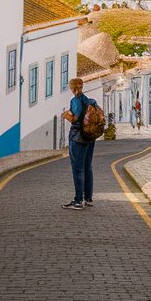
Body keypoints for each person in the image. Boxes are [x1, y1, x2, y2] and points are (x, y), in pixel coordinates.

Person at [60, 78, 96, 210]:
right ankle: (88, 198)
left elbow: (76, 117)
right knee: (87, 167)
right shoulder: (90, 100)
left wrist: (66, 115)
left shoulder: (75, 101)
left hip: (77, 138)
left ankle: (78, 201)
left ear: (72, 88)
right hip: (90, 138)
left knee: (77, 169)